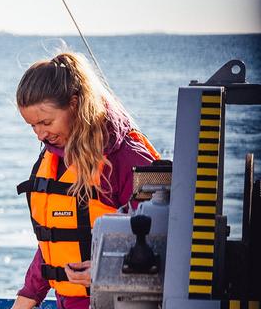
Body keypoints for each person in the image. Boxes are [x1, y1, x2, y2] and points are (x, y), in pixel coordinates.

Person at [11, 52, 159, 309]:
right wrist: (29, 294)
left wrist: (110, 270)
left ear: (75, 104)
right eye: (32, 126)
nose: (39, 135)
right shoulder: (54, 158)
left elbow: (166, 238)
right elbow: (56, 241)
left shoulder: (128, 157)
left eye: (45, 122)